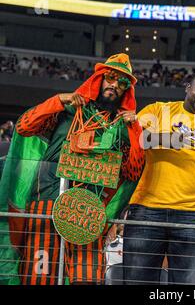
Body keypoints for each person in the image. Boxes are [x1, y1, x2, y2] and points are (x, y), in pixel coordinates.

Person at [0, 53, 144, 285]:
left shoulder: (121, 126)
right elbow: (25, 126)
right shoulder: (67, 110)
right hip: (48, 199)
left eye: (123, 82)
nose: (115, 85)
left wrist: (134, 129)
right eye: (111, 77)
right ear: (99, 78)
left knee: (86, 278)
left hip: (89, 208)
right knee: (40, 276)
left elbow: (133, 172)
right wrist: (58, 100)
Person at [122, 71, 195, 285]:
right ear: (187, 88)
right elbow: (133, 140)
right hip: (146, 211)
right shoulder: (158, 110)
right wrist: (171, 139)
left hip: (192, 217)